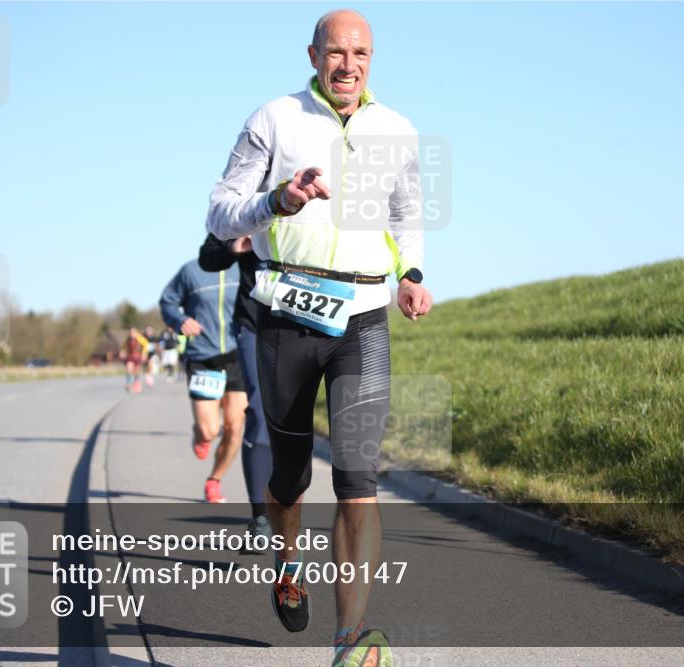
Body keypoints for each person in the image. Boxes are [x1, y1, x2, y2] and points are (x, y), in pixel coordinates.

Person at [206, 9, 432, 666]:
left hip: (363, 315)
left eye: (360, 53)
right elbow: (221, 210)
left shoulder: (398, 130)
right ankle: (284, 557)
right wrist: (275, 201)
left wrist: (411, 273)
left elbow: (408, 215)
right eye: (336, 52)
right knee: (291, 475)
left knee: (359, 477)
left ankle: (347, 641)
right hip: (286, 311)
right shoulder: (274, 118)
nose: (349, 65)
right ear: (313, 55)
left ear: (372, 59)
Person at [199, 232, 274, 552]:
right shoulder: (245, 204)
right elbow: (208, 257)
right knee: (257, 412)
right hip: (254, 326)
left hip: (310, 321)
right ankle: (260, 517)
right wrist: (233, 247)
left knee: (289, 419)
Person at [159, 256, 246, 504]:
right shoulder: (191, 271)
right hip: (203, 358)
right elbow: (168, 302)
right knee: (211, 430)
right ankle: (200, 433)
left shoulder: (243, 268)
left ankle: (214, 480)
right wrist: (180, 320)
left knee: (234, 427)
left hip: (237, 356)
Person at [120, 327, 148, 393]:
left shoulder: (140, 339)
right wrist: (122, 352)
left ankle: (136, 383)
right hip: (130, 356)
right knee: (128, 368)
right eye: (130, 332)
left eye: (133, 332)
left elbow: (145, 345)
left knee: (136, 371)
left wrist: (144, 354)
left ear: (136, 332)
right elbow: (124, 347)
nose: (131, 334)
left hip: (138, 356)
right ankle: (128, 383)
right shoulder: (128, 339)